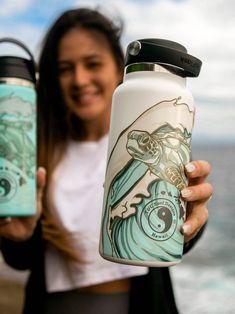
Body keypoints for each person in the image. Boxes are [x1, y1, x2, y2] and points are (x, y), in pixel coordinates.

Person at [0, 8, 213, 314]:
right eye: (64, 68)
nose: (79, 79)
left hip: (137, 305)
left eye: (92, 64)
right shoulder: (34, 147)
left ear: (119, 68)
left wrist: (192, 224)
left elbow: (178, 220)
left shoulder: (157, 138)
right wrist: (18, 237)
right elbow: (21, 259)